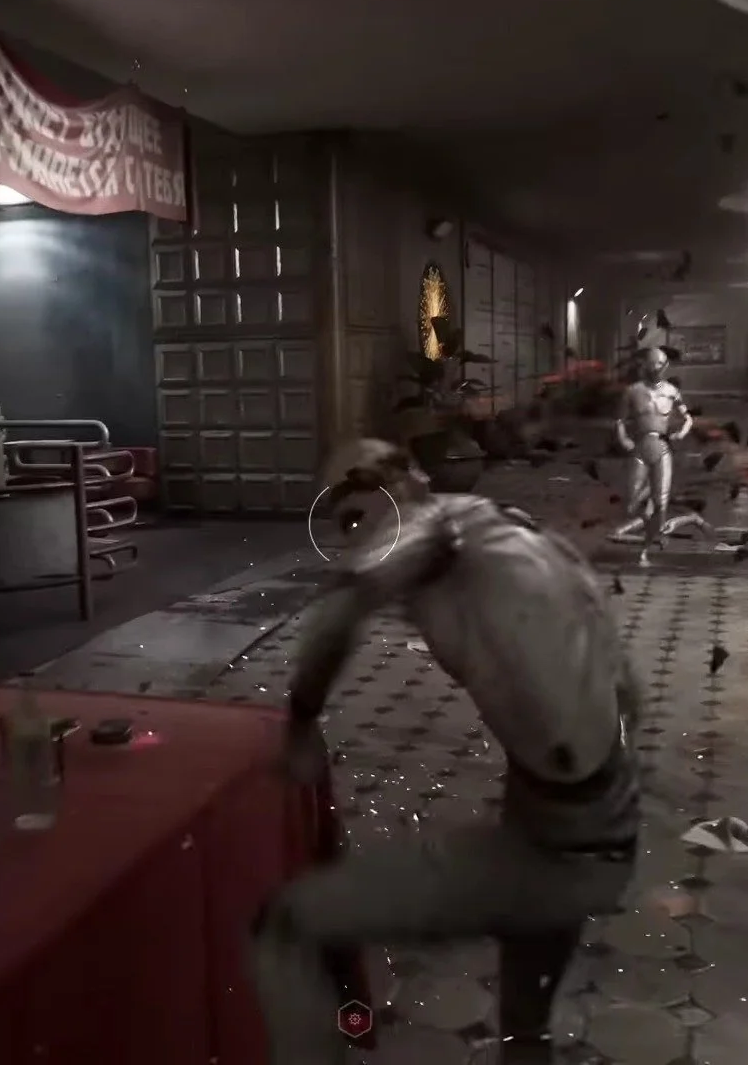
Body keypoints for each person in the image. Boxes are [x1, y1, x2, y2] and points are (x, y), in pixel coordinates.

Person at [253, 439, 644, 1065]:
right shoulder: (514, 528)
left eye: (352, 518)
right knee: (524, 1031)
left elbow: (340, 614)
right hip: (593, 817)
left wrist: (300, 721)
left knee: (287, 924)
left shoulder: (425, 529)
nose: (354, 535)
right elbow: (625, 690)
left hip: (559, 850)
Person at [607, 345, 700, 555]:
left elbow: (688, 418)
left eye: (659, 363)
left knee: (661, 500)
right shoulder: (633, 391)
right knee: (632, 502)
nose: (655, 367)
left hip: (662, 447)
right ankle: (645, 521)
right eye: (652, 363)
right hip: (640, 447)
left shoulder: (671, 392)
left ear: (665, 366)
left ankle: (657, 531)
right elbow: (619, 420)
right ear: (644, 365)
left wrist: (681, 433)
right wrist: (624, 439)